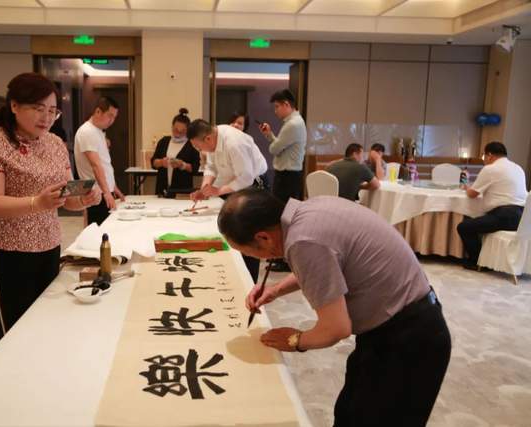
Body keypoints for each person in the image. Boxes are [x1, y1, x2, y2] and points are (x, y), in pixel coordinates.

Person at [218, 188, 451, 427]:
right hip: (405, 325)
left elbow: (335, 329)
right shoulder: (310, 210)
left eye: (247, 252)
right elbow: (326, 265)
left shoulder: (303, 241)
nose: (258, 258)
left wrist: (295, 340)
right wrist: (275, 290)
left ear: (263, 238)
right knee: (351, 413)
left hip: (409, 341)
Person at [0, 73, 101, 344]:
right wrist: (36, 203)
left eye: (52, 111)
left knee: (45, 321)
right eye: (38, 108)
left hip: (48, 244)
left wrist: (84, 199)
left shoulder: (54, 143)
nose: (46, 117)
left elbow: (67, 197)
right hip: (7, 249)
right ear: (14, 106)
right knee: (12, 329)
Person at [187, 119, 267, 283]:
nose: (199, 150)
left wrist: (217, 191)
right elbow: (211, 167)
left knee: (247, 236)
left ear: (208, 138)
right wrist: (205, 189)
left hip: (253, 185)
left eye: (198, 147)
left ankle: (248, 283)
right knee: (230, 230)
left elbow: (246, 178)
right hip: (231, 185)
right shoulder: (212, 139)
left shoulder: (234, 143)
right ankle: (232, 276)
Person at [457, 141, 527, 270]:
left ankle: (477, 261)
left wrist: (466, 187)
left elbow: (472, 194)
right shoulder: (518, 168)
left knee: (464, 226)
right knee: (473, 221)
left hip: (504, 217)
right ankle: (484, 258)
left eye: (484, 156)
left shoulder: (490, 169)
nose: (484, 159)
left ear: (489, 155)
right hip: (522, 219)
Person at [258, 90, 306, 272]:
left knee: (285, 218)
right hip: (289, 176)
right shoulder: (294, 122)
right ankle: (283, 257)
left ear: (287, 104)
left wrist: (271, 139)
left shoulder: (293, 124)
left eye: (277, 106)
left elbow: (274, 149)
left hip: (288, 177)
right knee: (284, 217)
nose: (275, 111)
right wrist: (269, 134)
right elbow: (279, 147)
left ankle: (285, 259)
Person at [74, 96, 125, 225]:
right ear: (98, 111)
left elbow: (104, 163)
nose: (112, 121)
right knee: (99, 231)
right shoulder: (87, 131)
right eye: (110, 116)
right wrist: (107, 192)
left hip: (104, 190)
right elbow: (95, 165)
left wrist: (114, 187)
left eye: (114, 117)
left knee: (108, 229)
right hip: (96, 192)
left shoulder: (98, 132)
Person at [150, 108, 200, 196]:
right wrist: (161, 162)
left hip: (182, 191)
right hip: (162, 189)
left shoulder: (192, 144)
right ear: (172, 127)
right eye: (176, 130)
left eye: (182, 131)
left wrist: (182, 165)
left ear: (188, 130)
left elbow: (195, 168)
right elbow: (153, 163)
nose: (178, 133)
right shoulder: (164, 141)